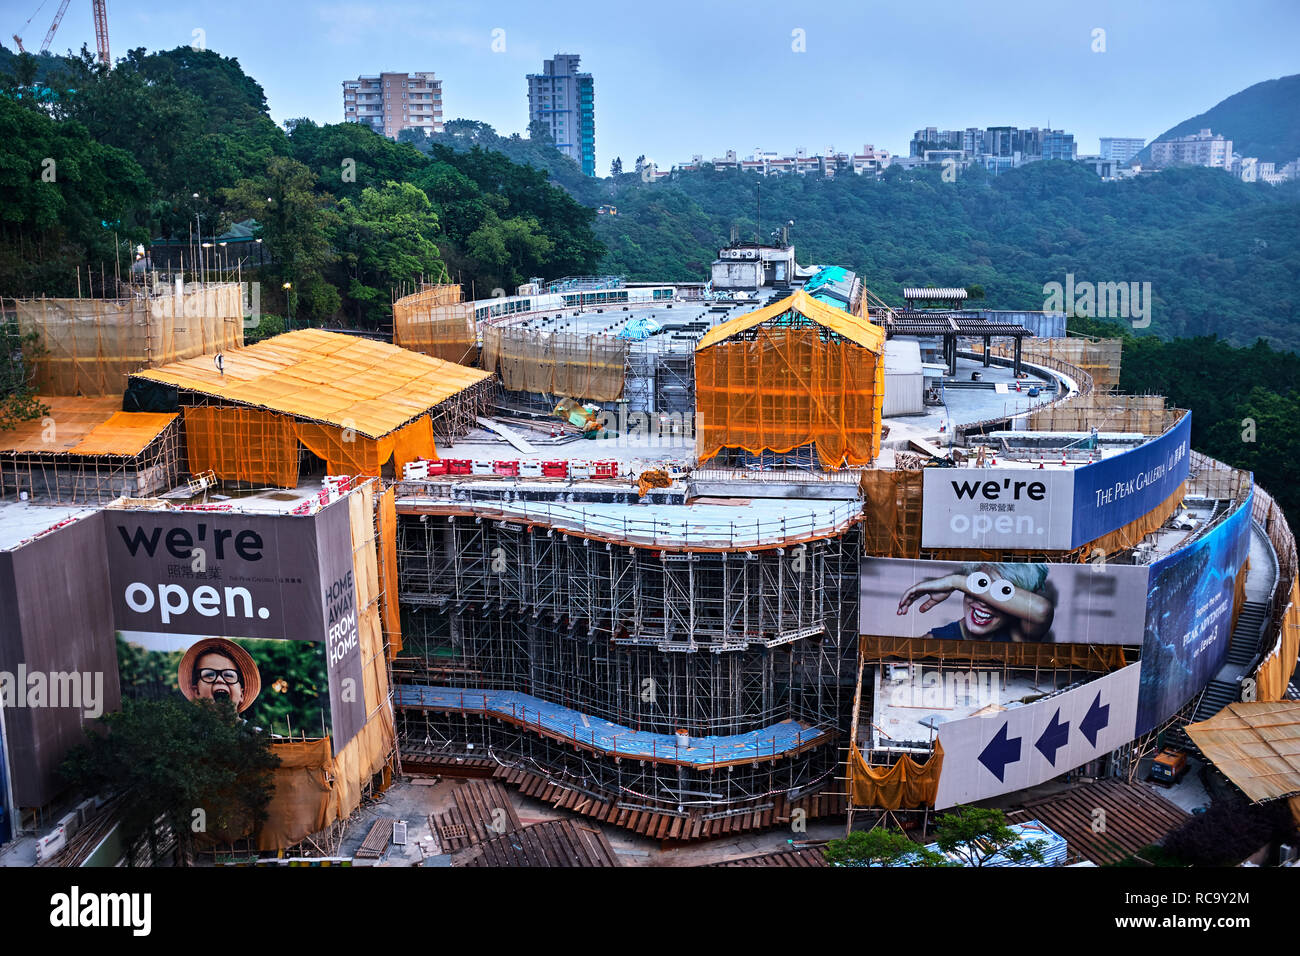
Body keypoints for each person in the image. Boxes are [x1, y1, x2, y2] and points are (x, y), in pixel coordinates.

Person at [896, 563, 1055, 642]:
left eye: (1003, 593)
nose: (985, 602)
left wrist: (955, 581)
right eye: (979, 585)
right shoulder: (935, 638)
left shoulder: (1020, 634)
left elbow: (1042, 610)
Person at [176, 638, 261, 713]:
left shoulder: (258, 731)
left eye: (229, 675)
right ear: (196, 692)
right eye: (209, 674)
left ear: (241, 695)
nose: (220, 679)